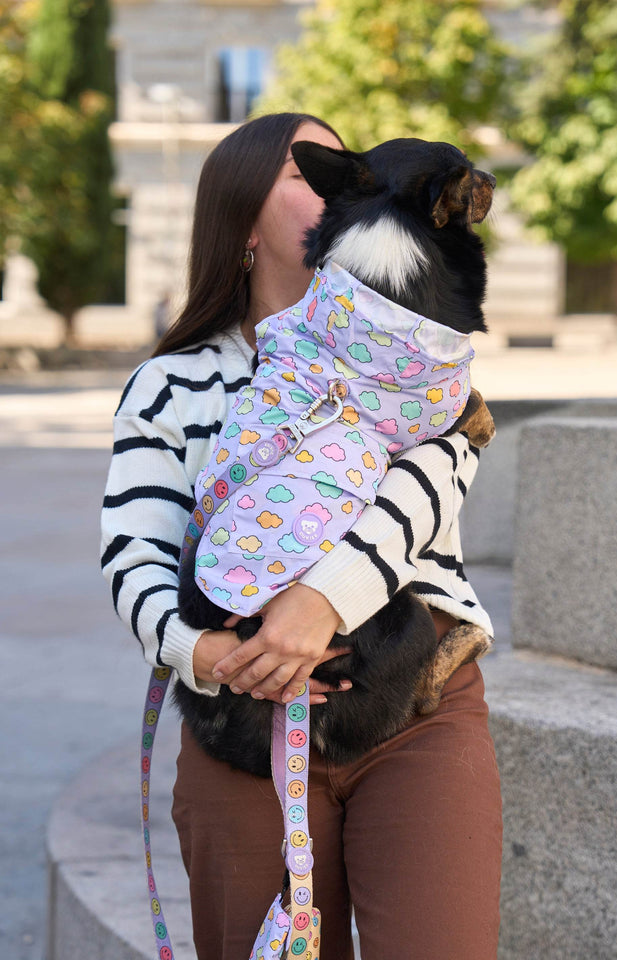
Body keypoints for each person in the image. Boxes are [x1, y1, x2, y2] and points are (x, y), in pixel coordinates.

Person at [101, 112, 502, 960]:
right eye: (305, 171)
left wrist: (319, 603)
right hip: (241, 717)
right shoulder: (170, 386)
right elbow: (133, 554)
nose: (341, 180)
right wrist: (203, 655)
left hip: (418, 700)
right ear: (243, 219)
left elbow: (431, 485)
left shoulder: (420, 355)